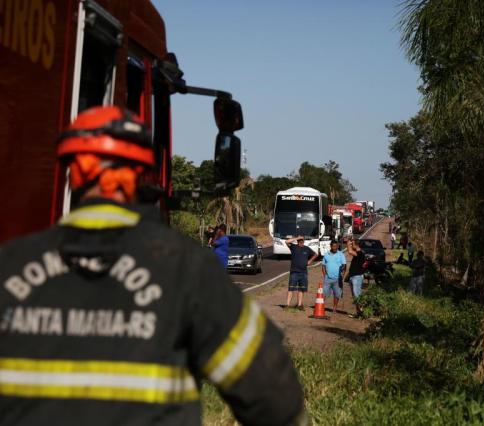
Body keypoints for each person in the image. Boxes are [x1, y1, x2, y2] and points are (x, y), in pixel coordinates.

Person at [0, 106, 306, 426]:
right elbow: (272, 394)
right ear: (142, 174)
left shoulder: (10, 263)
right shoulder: (186, 268)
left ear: (70, 173)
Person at [285, 236, 318, 310]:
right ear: (297, 241)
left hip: (303, 273)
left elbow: (316, 254)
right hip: (294, 272)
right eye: (299, 240)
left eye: (302, 240)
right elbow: (286, 242)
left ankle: (299, 305)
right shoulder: (293, 247)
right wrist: (297, 237)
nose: (301, 242)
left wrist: (310, 261)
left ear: (304, 241)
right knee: (291, 289)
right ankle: (287, 305)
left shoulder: (307, 248)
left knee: (301, 289)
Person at [322, 241, 347, 313]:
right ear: (330, 246)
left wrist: (343, 275)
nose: (335, 248)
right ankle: (320, 306)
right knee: (324, 293)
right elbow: (323, 266)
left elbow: (344, 265)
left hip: (337, 279)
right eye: (333, 246)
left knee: (337, 294)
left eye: (336, 246)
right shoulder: (326, 254)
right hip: (328, 278)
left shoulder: (341, 254)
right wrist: (325, 275)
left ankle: (334, 308)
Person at [346, 239, 366, 317]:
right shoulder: (359, 253)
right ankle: (359, 313)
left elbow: (350, 252)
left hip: (357, 277)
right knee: (355, 296)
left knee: (357, 295)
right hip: (354, 276)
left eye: (353, 244)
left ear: (356, 245)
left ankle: (362, 312)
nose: (352, 245)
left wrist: (348, 244)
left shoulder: (360, 253)